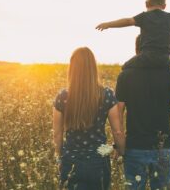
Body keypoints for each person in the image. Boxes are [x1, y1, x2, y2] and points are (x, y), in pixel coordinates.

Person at [115, 35, 170, 189]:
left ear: (137, 50)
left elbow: (118, 112)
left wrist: (119, 144)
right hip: (162, 148)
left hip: (134, 147)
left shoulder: (125, 76)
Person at [53, 47, 125, 190]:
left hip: (70, 159)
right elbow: (117, 132)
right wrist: (119, 150)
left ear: (72, 68)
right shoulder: (107, 94)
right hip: (98, 159)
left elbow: (57, 134)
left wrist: (60, 157)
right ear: (93, 67)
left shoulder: (62, 97)